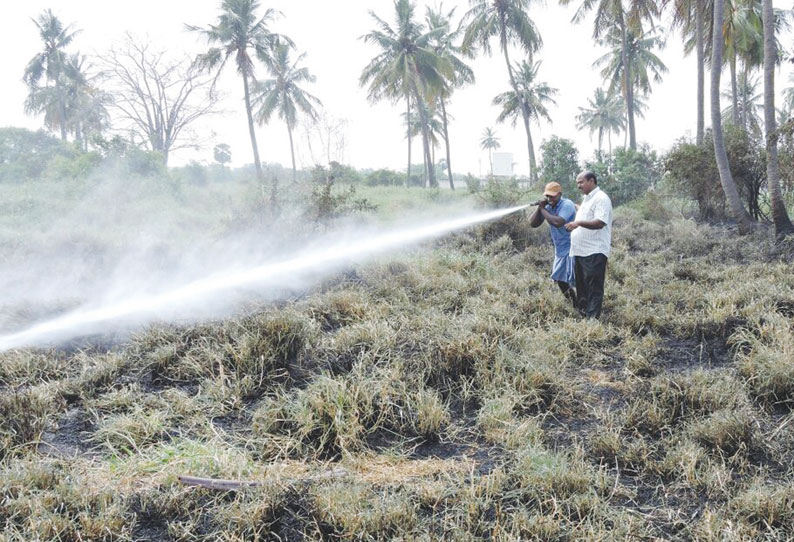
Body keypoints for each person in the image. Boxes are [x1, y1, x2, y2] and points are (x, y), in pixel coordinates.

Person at [564, 171, 612, 319]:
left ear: (592, 181)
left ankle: (592, 320)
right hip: (580, 251)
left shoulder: (601, 198)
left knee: (593, 286)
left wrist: (578, 223)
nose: (579, 186)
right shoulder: (587, 199)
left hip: (594, 250)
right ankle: (584, 314)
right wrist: (575, 206)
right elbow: (587, 213)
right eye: (577, 183)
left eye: (581, 182)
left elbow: (600, 222)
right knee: (582, 286)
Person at [529, 181, 578, 308]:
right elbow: (533, 224)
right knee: (561, 280)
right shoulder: (549, 206)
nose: (550, 199)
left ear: (560, 194)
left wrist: (543, 209)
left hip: (573, 247)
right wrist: (540, 208)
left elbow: (557, 222)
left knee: (576, 280)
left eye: (553, 196)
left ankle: (584, 307)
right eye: (547, 196)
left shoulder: (567, 205)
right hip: (560, 249)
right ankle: (574, 304)